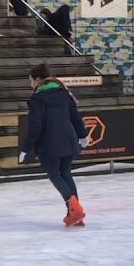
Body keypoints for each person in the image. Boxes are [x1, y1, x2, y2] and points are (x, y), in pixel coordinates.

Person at [17, 63, 89, 227]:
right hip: (69, 139)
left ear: (37, 79)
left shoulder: (37, 99)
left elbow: (36, 127)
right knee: (65, 173)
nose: (31, 85)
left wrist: (26, 148)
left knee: (54, 174)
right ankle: (75, 213)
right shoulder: (64, 93)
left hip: (51, 143)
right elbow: (75, 117)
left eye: (31, 81)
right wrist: (82, 135)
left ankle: (75, 210)